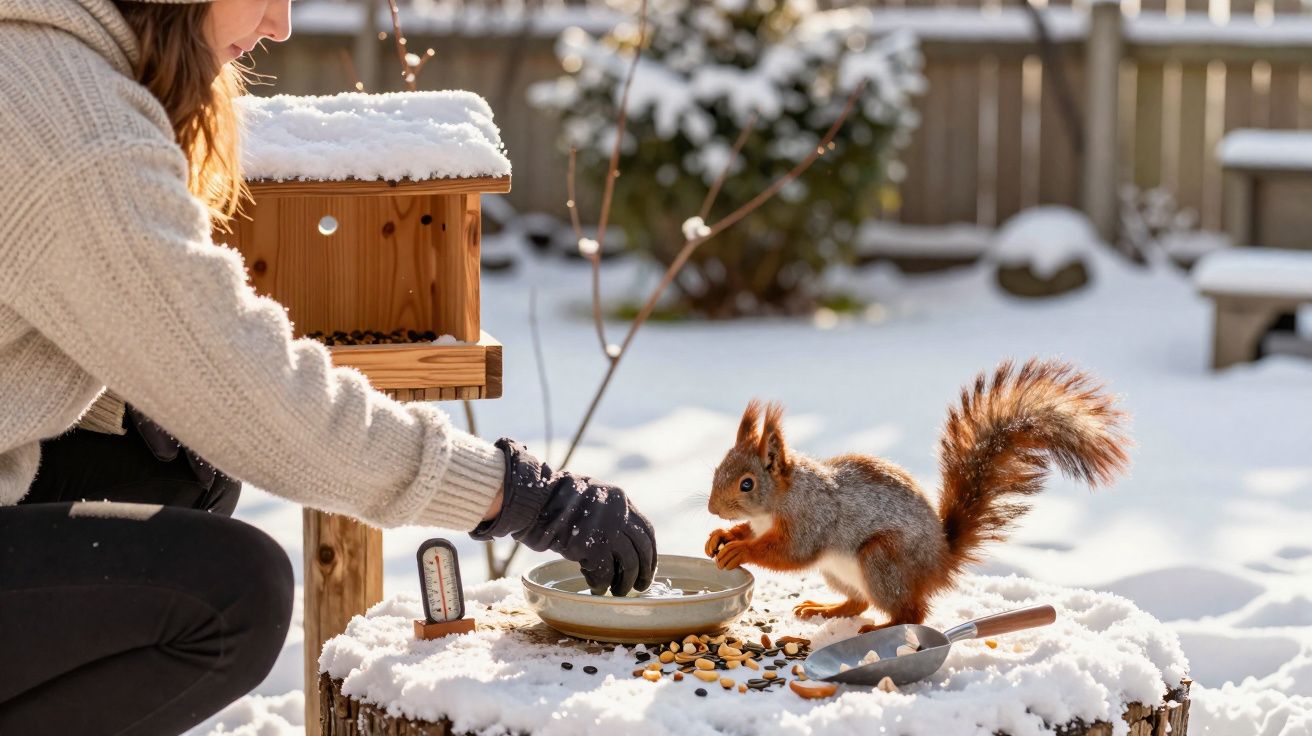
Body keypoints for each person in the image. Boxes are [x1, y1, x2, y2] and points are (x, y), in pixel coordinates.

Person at [0, 1, 657, 733]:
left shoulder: (40, 63)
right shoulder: (74, 126)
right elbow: (253, 393)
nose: (280, 24)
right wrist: (516, 494)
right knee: (232, 592)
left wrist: (144, 385)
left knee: (175, 470)